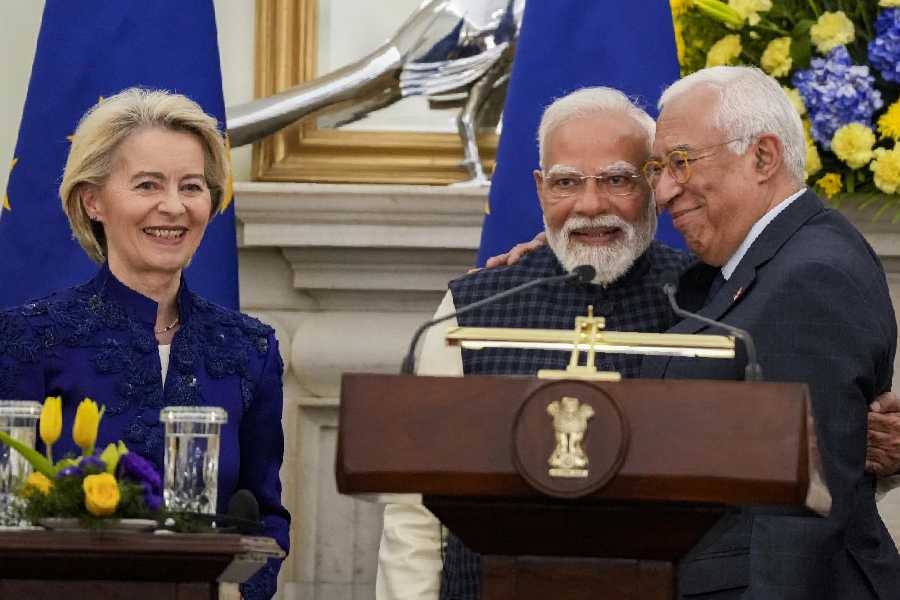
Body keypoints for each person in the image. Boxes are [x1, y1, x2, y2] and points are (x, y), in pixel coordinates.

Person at [377, 86, 692, 600]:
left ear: (653, 182)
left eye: (616, 180)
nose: (590, 206)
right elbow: (414, 512)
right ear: (541, 188)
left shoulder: (702, 299)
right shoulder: (471, 306)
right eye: (567, 183)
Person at [0, 89, 289, 600]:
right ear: (93, 200)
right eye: (147, 184)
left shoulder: (250, 350)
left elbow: (264, 514)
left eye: (192, 186)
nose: (174, 207)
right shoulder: (28, 338)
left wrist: (240, 594)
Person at [637, 65, 899, 598]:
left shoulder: (810, 275)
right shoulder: (749, 265)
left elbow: (797, 514)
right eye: (658, 168)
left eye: (681, 162)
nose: (662, 192)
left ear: (762, 156)